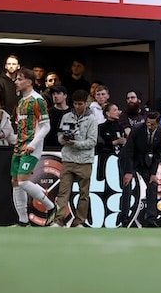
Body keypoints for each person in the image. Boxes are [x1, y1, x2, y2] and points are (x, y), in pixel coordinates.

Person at [9, 68, 55, 227]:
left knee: (22, 181)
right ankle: (23, 221)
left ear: (29, 81)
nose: (16, 82)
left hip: (31, 147)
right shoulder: (21, 101)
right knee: (15, 181)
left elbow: (46, 126)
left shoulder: (37, 100)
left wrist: (33, 143)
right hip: (19, 146)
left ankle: (51, 206)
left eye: (19, 79)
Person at [54, 89, 97, 228]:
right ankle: (58, 220)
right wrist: (63, 140)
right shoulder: (67, 116)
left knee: (84, 194)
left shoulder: (92, 119)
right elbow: (60, 136)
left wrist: (76, 143)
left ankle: (79, 221)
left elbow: (92, 141)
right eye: (75, 104)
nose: (77, 106)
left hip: (84, 161)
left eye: (80, 104)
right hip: (68, 159)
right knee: (63, 192)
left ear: (86, 103)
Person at [121, 110, 161, 227]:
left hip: (143, 160)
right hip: (127, 158)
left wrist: (153, 173)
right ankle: (124, 218)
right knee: (127, 185)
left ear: (158, 123)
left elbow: (157, 154)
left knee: (153, 184)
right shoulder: (137, 128)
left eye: (152, 124)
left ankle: (151, 219)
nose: (149, 126)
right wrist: (128, 171)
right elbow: (129, 150)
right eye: (148, 123)